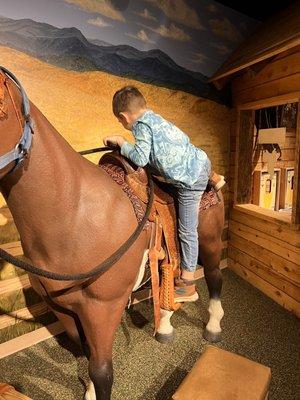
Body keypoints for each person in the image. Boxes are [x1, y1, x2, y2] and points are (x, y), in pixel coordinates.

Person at [103, 86, 225, 302]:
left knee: (187, 231)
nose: (124, 126)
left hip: (190, 181)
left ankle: (188, 283)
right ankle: (214, 177)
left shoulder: (140, 126)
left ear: (124, 116)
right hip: (201, 161)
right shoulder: (155, 118)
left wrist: (122, 142)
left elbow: (140, 158)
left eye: (122, 122)